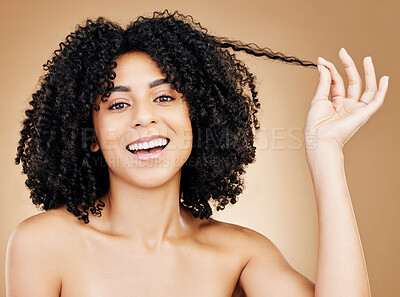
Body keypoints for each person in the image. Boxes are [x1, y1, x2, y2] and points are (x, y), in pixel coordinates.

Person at [6, 9, 388, 297]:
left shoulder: (240, 254)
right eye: (118, 104)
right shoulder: (42, 243)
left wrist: (326, 152)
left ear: (198, 118)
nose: (144, 118)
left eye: (164, 97)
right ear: (89, 133)